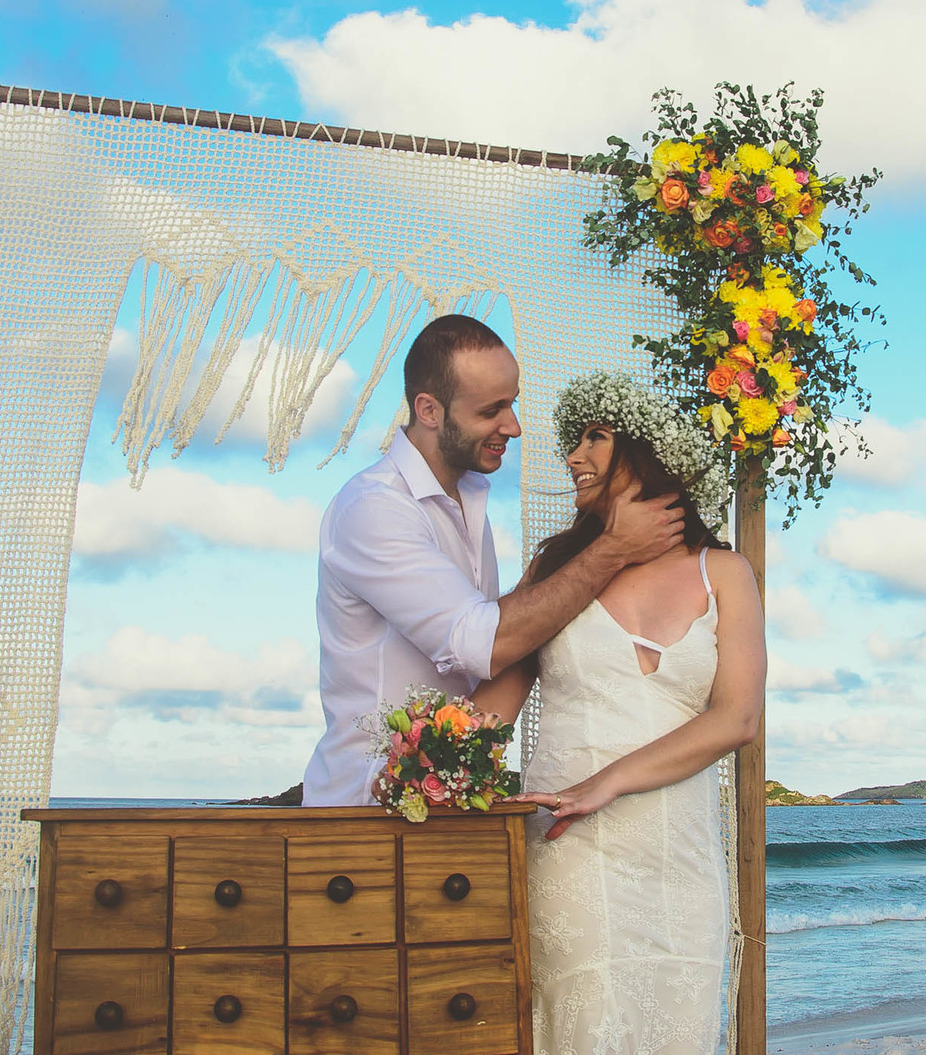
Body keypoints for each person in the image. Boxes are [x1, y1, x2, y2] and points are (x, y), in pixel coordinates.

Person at [472, 372, 766, 1055]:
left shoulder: (724, 573)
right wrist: (422, 764)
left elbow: (736, 719)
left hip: (681, 866)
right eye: (573, 442)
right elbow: (491, 713)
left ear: (644, 451)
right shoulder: (556, 566)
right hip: (569, 851)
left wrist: (605, 782)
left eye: (594, 438)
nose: (573, 456)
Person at [302, 316, 685, 806]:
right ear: (429, 410)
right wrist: (611, 548)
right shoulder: (374, 508)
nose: (514, 427)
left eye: (513, 403)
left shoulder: (471, 497)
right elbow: (485, 644)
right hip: (366, 808)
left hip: (448, 801)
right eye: (491, 410)